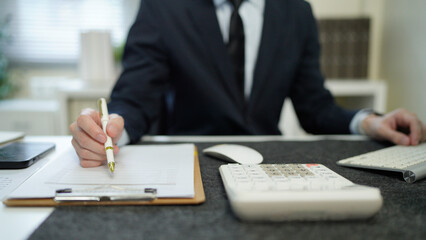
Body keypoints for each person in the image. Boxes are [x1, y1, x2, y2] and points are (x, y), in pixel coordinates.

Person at [70, 0, 425, 168]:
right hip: (188, 162)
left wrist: (368, 122)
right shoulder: (163, 8)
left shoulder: (296, 13)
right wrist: (109, 132)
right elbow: (134, 99)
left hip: (268, 165)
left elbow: (314, 107)